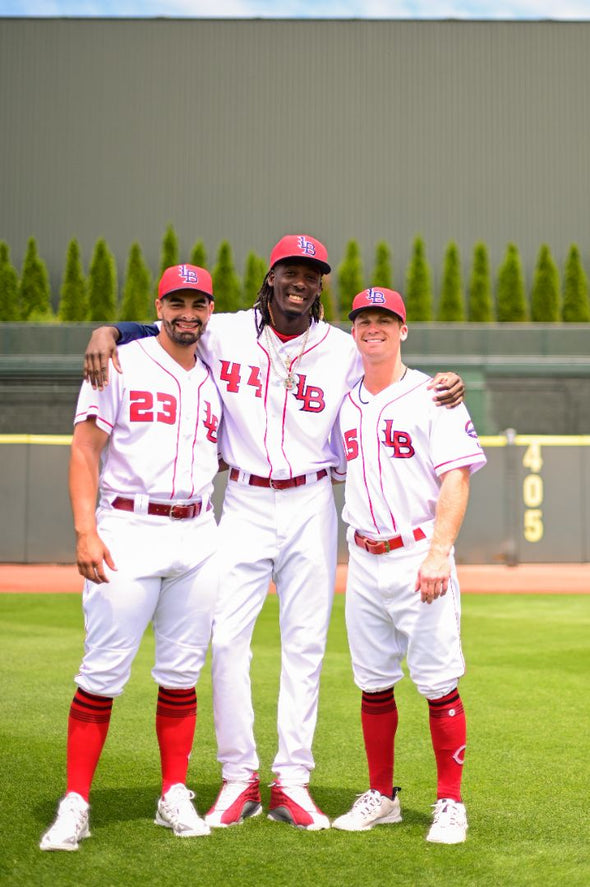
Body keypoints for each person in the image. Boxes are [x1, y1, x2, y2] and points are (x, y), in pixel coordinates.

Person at [82, 235, 465, 831]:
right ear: (271, 276)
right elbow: (167, 326)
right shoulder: (224, 330)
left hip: (312, 498)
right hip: (243, 498)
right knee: (228, 638)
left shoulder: (342, 347)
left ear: (320, 285)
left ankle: (293, 780)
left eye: (312, 274)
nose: (301, 281)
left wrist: (447, 378)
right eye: (291, 269)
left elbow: (397, 368)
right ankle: (240, 779)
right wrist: (110, 329)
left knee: (305, 644)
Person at [40, 264, 222, 851]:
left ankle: (174, 792)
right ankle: (76, 804)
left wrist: (106, 327)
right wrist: (85, 531)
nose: (187, 313)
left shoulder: (216, 373)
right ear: (158, 306)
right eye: (177, 302)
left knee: (180, 674)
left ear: (211, 310)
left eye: (198, 303)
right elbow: (85, 449)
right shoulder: (118, 361)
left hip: (197, 530)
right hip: (128, 524)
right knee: (102, 674)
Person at [331, 287, 486, 844]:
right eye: (364, 319)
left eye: (384, 319)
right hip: (365, 557)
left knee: (439, 683)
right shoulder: (345, 402)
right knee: (373, 684)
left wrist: (440, 552)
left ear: (403, 329)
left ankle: (450, 802)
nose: (373, 327)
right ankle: (383, 795)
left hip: (419, 553)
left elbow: (457, 477)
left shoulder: (434, 395)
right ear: (354, 331)